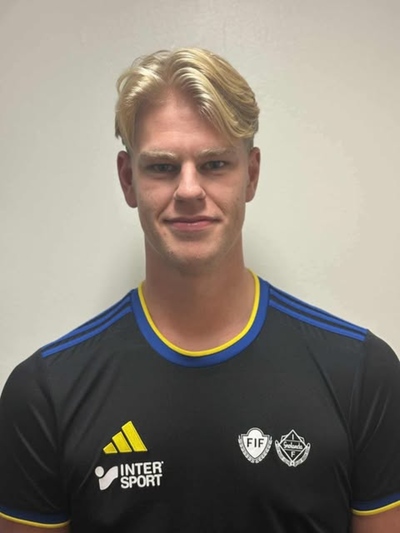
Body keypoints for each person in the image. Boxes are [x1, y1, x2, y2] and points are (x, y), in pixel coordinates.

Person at [0, 48, 399, 533]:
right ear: (128, 179)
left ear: (251, 174)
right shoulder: (44, 394)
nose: (189, 190)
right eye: (162, 167)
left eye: (214, 164)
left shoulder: (362, 376)